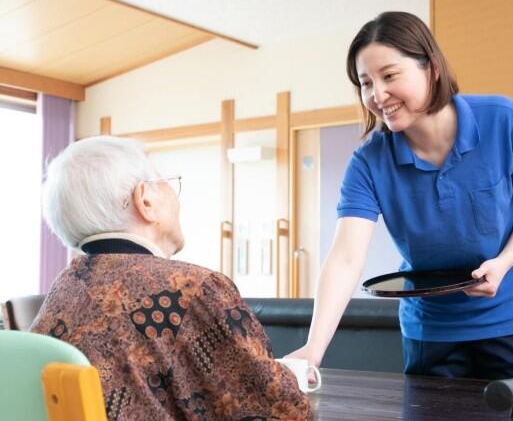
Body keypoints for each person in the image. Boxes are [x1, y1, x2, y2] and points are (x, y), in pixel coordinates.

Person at [287, 12, 513, 380]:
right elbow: (346, 257)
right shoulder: (369, 162)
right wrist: (313, 349)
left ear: (430, 68)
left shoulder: (502, 119)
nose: (377, 95)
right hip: (431, 328)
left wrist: (505, 261)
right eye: (366, 83)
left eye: (389, 76)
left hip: (512, 316)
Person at [30, 136, 313, 421]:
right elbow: (282, 408)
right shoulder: (194, 290)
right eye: (164, 182)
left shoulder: (61, 293)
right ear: (146, 200)